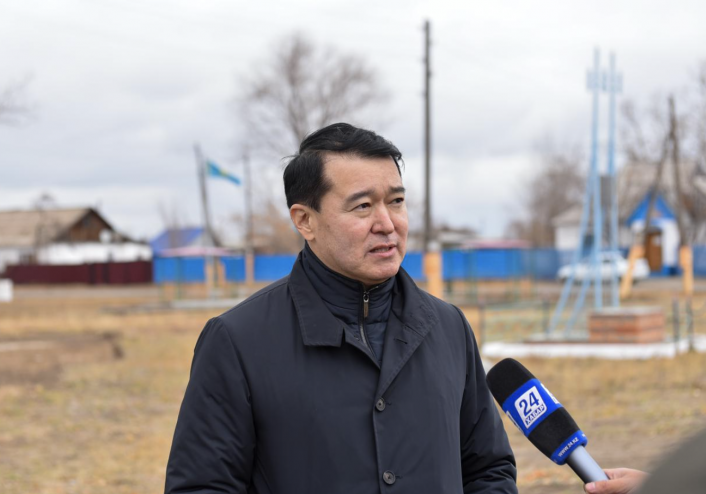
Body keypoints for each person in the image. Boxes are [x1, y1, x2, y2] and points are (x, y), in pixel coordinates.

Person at [164, 123, 518, 494]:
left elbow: (488, 470)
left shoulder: (448, 327)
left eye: (396, 201)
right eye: (363, 206)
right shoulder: (238, 341)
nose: (387, 224)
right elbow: (202, 486)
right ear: (305, 220)